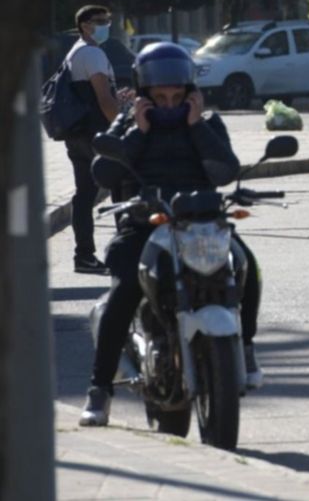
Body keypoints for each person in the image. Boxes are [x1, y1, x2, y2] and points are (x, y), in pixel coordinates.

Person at [79, 43, 266, 426]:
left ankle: (243, 347)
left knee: (246, 265)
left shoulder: (207, 123)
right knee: (126, 289)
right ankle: (99, 390)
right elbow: (104, 173)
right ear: (145, 95)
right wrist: (139, 133)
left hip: (200, 222)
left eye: (176, 97)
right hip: (144, 225)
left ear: (190, 93)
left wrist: (196, 127)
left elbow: (224, 171)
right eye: (159, 97)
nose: (168, 105)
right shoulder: (129, 124)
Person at [66, 5, 132, 274]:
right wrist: (120, 128)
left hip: (79, 133)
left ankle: (84, 256)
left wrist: (120, 98)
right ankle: (124, 251)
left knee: (84, 194)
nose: (105, 25)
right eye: (99, 21)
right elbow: (103, 99)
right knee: (121, 184)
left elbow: (95, 95)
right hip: (97, 134)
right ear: (84, 25)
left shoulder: (76, 52)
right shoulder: (92, 53)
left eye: (108, 20)